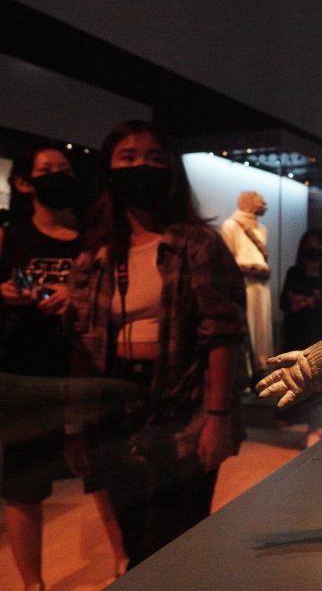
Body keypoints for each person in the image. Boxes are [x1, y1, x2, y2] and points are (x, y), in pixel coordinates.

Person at [67, 120, 247, 568]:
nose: (141, 166)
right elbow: (81, 346)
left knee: (176, 539)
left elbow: (222, 334)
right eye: (127, 157)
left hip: (183, 405)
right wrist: (75, 426)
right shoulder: (95, 253)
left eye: (153, 157)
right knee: (133, 539)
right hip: (114, 407)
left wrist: (218, 418)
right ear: (109, 171)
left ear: (170, 170)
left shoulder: (197, 243)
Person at [0, 143, 126, 591]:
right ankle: (32, 585)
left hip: (85, 369)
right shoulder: (8, 237)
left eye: (64, 169)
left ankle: (126, 565)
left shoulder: (95, 238)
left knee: (102, 474)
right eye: (46, 169)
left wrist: (78, 296)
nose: (57, 176)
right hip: (25, 372)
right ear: (23, 183)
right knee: (24, 486)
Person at [220, 191, 273, 377]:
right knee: (247, 324)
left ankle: (260, 366)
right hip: (244, 284)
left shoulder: (262, 229)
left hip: (261, 285)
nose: (264, 205)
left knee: (261, 327)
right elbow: (227, 260)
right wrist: (248, 269)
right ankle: (246, 370)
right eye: (260, 201)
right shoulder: (230, 225)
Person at [280, 229, 322, 351]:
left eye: (317, 249)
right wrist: (294, 303)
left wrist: (316, 302)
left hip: (321, 335)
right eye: (309, 248)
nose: (313, 254)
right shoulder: (294, 273)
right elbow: (283, 303)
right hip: (295, 333)